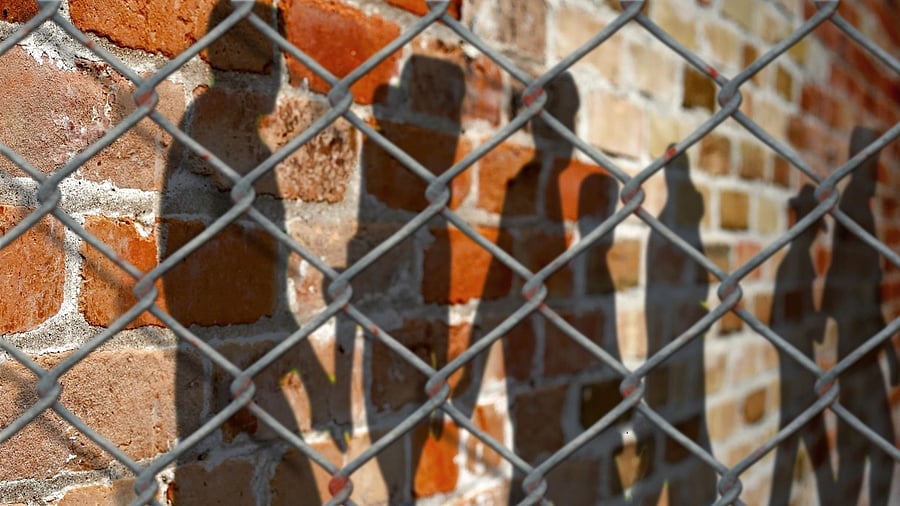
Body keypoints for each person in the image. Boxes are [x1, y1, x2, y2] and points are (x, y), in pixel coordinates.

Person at [165, 1, 329, 501]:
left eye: (277, 57)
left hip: (255, 344)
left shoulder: (254, 142)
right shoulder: (208, 123)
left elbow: (272, 279)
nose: (274, 71)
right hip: (217, 355)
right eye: (266, 53)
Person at [634, 147, 717, 505]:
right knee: (664, 452)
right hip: (670, 361)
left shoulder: (683, 226)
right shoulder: (669, 229)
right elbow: (666, 302)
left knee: (675, 451)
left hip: (685, 359)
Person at [823, 126, 898, 506]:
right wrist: (887, 352)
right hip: (858, 355)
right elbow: (855, 296)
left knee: (862, 452)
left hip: (860, 351)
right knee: (876, 448)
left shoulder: (855, 207)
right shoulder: (854, 210)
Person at [768, 185, 832, 506]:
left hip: (796, 372)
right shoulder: (798, 265)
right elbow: (808, 328)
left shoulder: (794, 263)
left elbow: (778, 322)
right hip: (800, 376)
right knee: (811, 453)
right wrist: (828, 306)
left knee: (791, 451)